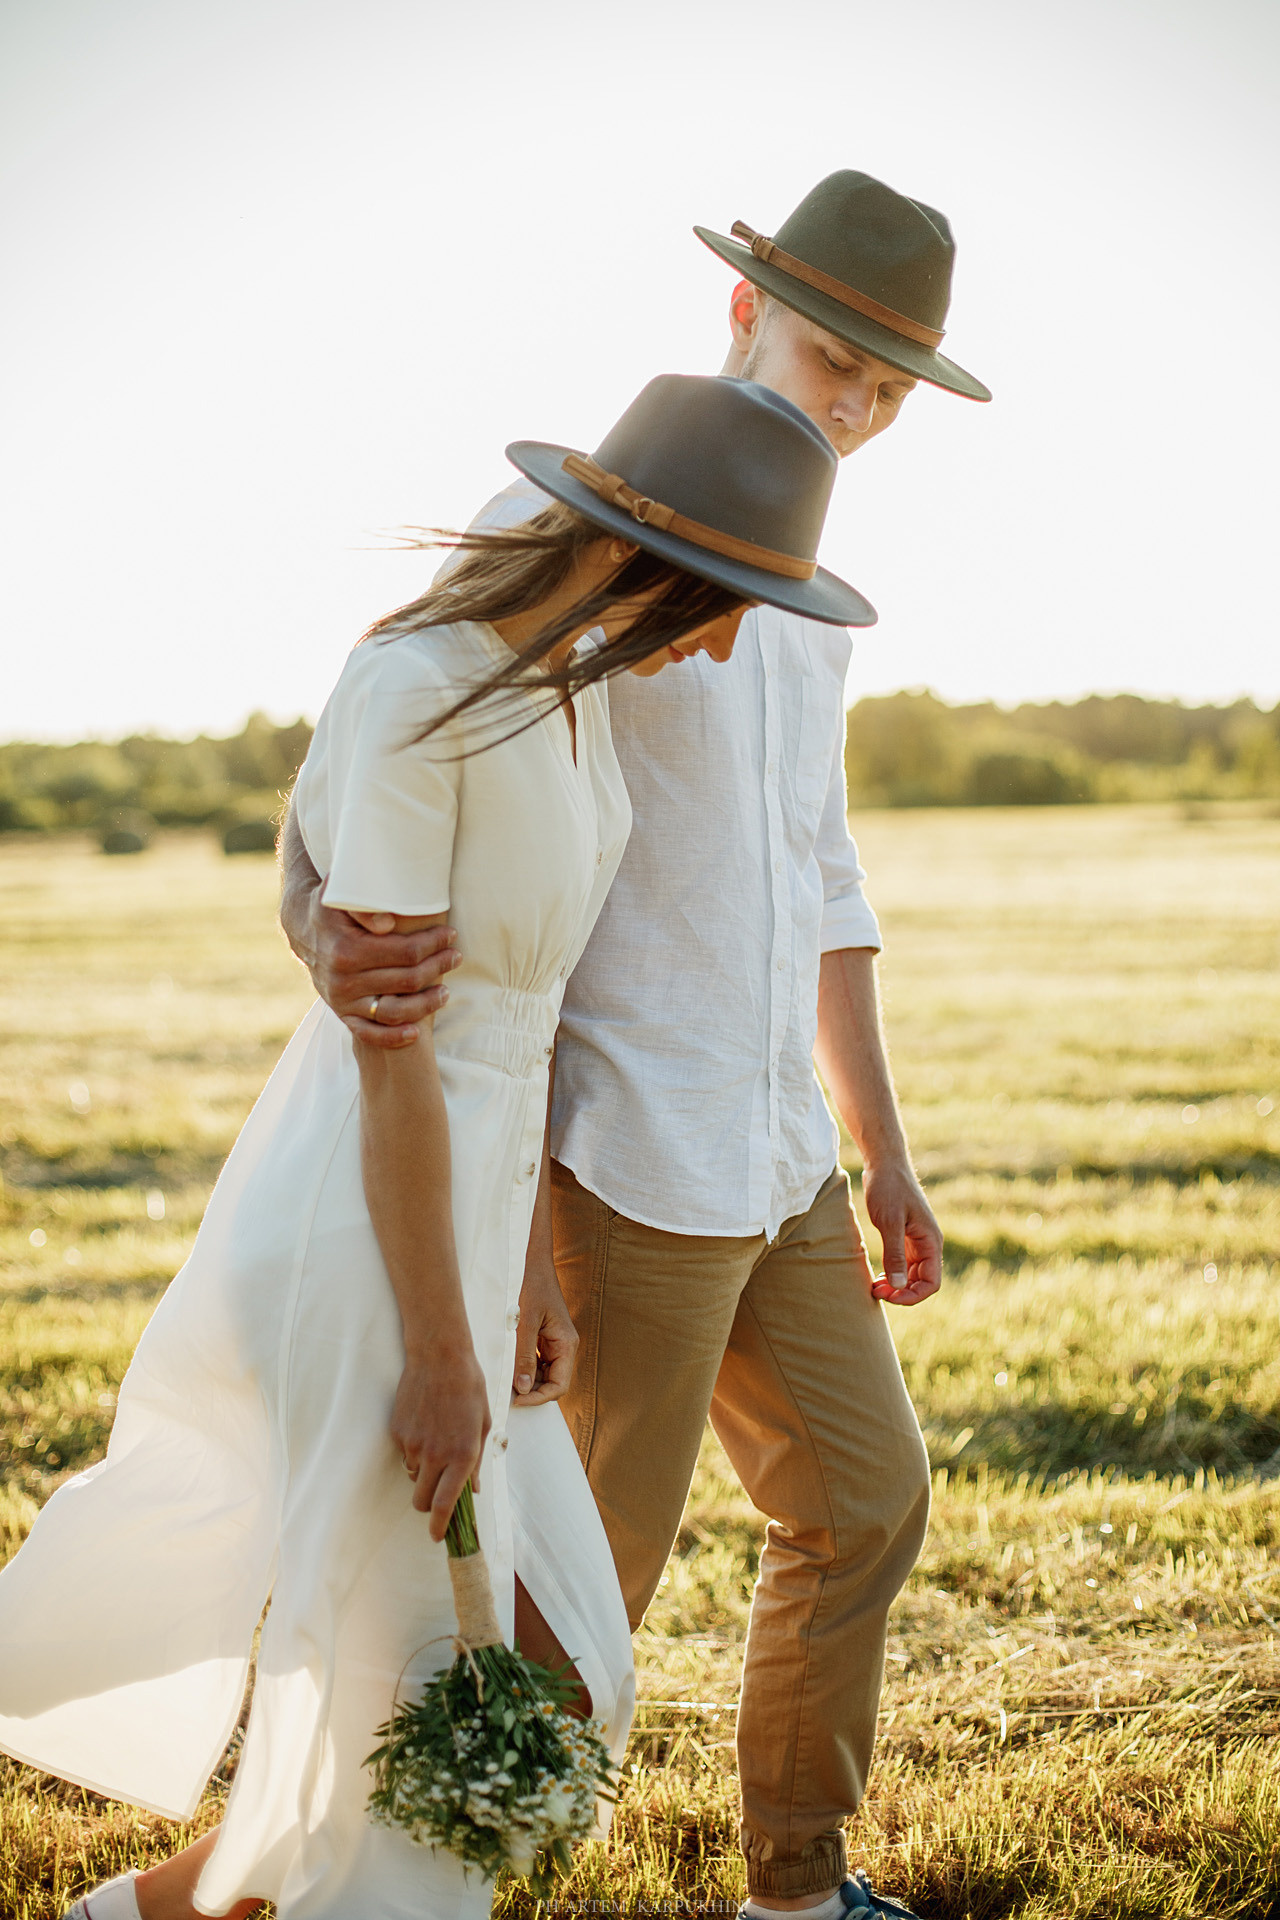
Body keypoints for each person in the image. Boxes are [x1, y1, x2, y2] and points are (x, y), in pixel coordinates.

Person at [0, 375, 875, 1920]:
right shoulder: (420, 684)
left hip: (482, 1216)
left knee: (557, 1672)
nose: (731, 640)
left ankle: (138, 1915)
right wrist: (440, 1348)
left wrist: (525, 1265)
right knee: (414, 1676)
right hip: (368, 1224)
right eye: (730, 599)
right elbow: (396, 1048)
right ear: (640, 553)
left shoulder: (569, 680)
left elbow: (531, 1015)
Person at [281, 171, 991, 1920]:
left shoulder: (805, 601)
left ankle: (799, 1891)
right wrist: (315, 920)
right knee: (578, 1601)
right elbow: (374, 755)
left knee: (866, 1501)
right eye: (837, 360)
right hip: (615, 1159)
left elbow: (821, 870)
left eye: (886, 394)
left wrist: (875, 1140)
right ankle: (414, 1883)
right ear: (740, 314)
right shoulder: (599, 531)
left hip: (776, 1150)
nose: (852, 408)